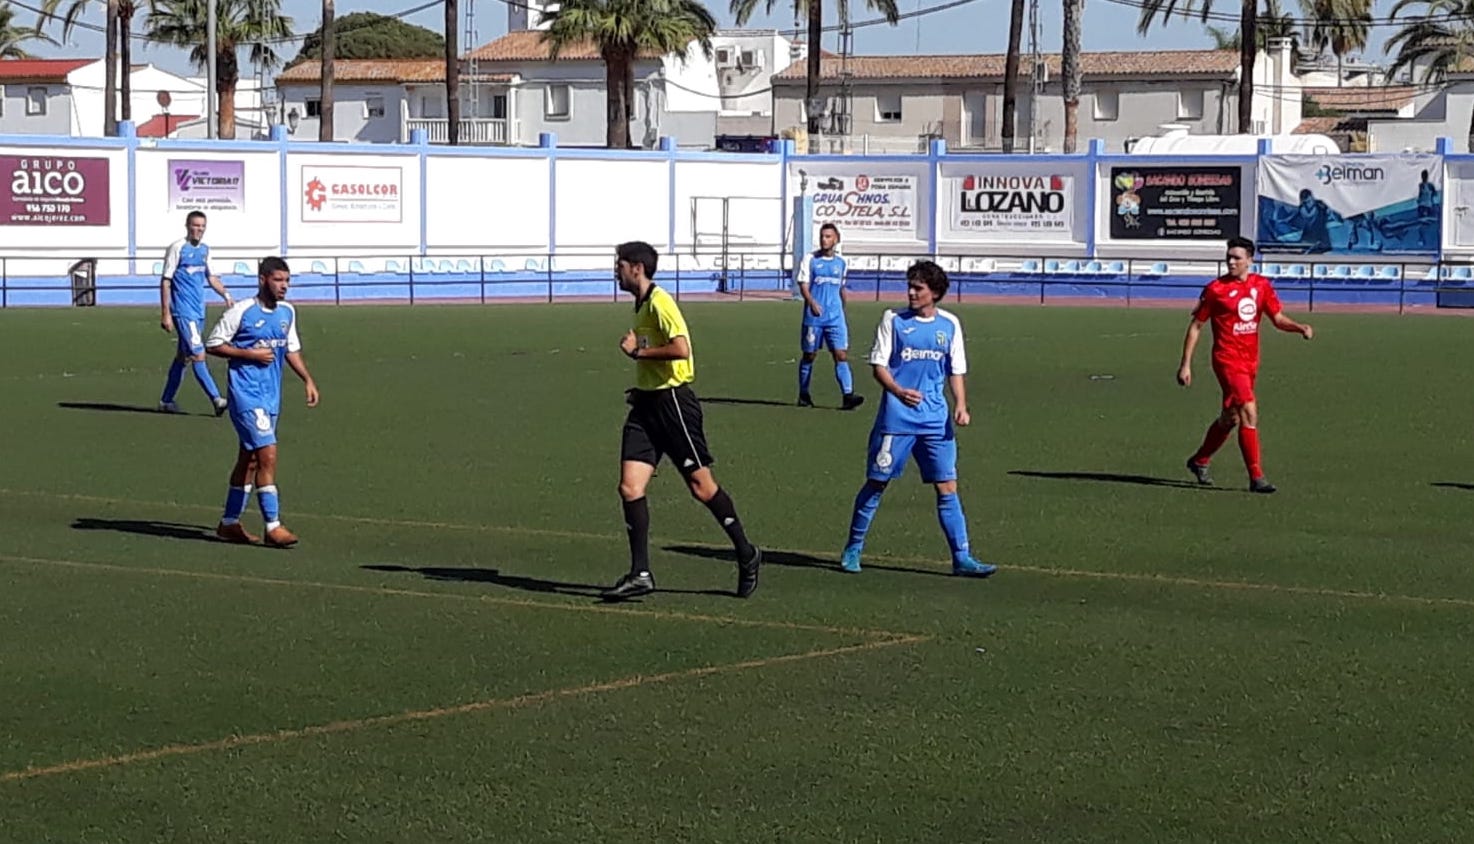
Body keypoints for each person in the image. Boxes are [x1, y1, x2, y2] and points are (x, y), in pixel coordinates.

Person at [602, 241, 763, 601]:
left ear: (636, 268)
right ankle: (641, 573)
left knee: (701, 487)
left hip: (673, 404)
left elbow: (681, 349)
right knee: (630, 487)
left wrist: (638, 353)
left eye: (620, 265)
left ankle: (746, 552)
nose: (616, 271)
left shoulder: (661, 302)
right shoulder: (641, 305)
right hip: (646, 406)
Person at [839, 260, 995, 578]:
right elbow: (878, 365)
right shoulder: (893, 320)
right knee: (877, 482)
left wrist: (961, 405)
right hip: (897, 421)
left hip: (936, 422)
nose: (911, 292)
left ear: (934, 293)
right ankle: (853, 548)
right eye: (910, 286)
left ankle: (962, 557)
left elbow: (956, 369)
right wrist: (898, 390)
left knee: (947, 486)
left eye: (918, 287)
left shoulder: (949, 324)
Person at [1179, 236, 1313, 494]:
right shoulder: (1215, 289)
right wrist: (1186, 365)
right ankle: (1256, 477)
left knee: (1230, 417)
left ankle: (1200, 460)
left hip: (1250, 361)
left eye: (1237, 258)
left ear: (1250, 260)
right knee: (1249, 411)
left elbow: (1277, 318)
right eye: (1228, 257)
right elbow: (1196, 326)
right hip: (1226, 360)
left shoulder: (1261, 286)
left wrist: (1299, 327)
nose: (1231, 261)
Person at [206, 257, 320, 547]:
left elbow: (291, 348)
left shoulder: (287, 313)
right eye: (278, 280)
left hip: (271, 396)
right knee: (267, 452)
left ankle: (229, 523)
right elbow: (213, 344)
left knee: (251, 459)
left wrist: (307, 379)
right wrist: (250, 355)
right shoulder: (242, 311)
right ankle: (273, 526)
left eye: (287, 281)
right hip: (245, 394)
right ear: (262, 279)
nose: (284, 286)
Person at [158, 211, 233, 415]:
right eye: (195, 225)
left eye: (202, 226)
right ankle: (217, 399)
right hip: (183, 312)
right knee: (199, 354)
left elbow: (212, 278)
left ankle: (166, 401)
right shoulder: (177, 248)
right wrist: (166, 313)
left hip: (198, 312)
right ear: (187, 226)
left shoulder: (205, 250)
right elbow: (166, 281)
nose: (198, 230)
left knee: (183, 357)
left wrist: (225, 294)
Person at [795, 223, 864, 410]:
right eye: (822, 236)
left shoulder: (841, 262)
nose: (824, 240)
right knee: (809, 355)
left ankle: (848, 395)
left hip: (835, 317)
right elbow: (803, 284)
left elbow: (841, 287)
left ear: (836, 239)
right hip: (814, 316)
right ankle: (803, 393)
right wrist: (811, 302)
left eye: (828, 236)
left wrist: (843, 308)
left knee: (840, 354)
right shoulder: (810, 259)